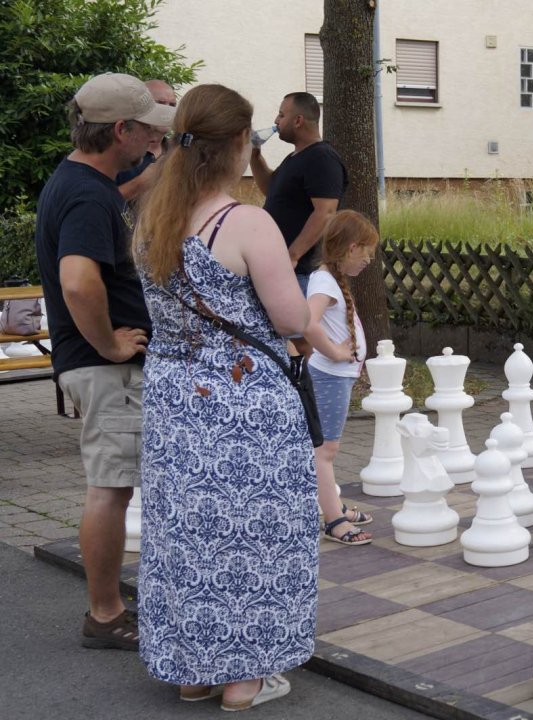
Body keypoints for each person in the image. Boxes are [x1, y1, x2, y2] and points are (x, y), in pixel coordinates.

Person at [133, 84, 316, 710]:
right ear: (239, 144)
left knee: (187, 532)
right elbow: (290, 318)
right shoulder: (245, 221)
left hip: (173, 400)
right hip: (242, 404)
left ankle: (194, 670)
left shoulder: (151, 218)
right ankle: (245, 678)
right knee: (256, 533)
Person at [34, 72, 174, 650]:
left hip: (94, 364)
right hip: (105, 366)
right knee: (110, 489)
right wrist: (111, 345)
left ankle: (109, 606)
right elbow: (77, 282)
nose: (151, 142)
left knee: (111, 486)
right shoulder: (89, 194)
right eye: (146, 132)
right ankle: (106, 614)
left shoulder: (76, 182)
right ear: (121, 130)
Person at [303, 210, 380, 545]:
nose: (369, 259)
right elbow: (307, 323)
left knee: (324, 449)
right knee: (325, 451)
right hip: (330, 376)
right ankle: (334, 520)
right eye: (367, 251)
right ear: (351, 248)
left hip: (336, 377)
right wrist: (334, 352)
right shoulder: (324, 281)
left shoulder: (329, 279)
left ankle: (331, 504)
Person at [248, 91, 347, 299]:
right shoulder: (295, 158)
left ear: (298, 120)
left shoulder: (321, 158)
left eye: (281, 115)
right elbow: (270, 189)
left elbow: (325, 212)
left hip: (302, 273)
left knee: (299, 331)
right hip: (284, 270)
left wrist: (293, 255)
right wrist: (254, 156)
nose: (276, 121)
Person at [116, 79, 177, 202]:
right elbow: (98, 201)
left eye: (172, 105)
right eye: (160, 103)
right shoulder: (117, 151)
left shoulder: (177, 152)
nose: (167, 110)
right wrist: (138, 185)